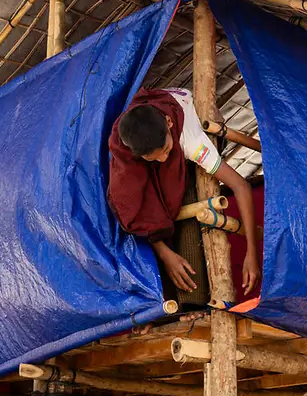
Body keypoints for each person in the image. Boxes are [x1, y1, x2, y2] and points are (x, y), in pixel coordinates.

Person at [108, 87, 260, 296]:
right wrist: (164, 253)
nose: (163, 159)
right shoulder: (125, 136)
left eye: (166, 151)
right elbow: (125, 203)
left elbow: (240, 186)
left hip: (183, 122)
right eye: (152, 159)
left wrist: (251, 253)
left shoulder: (192, 141)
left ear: (169, 125)